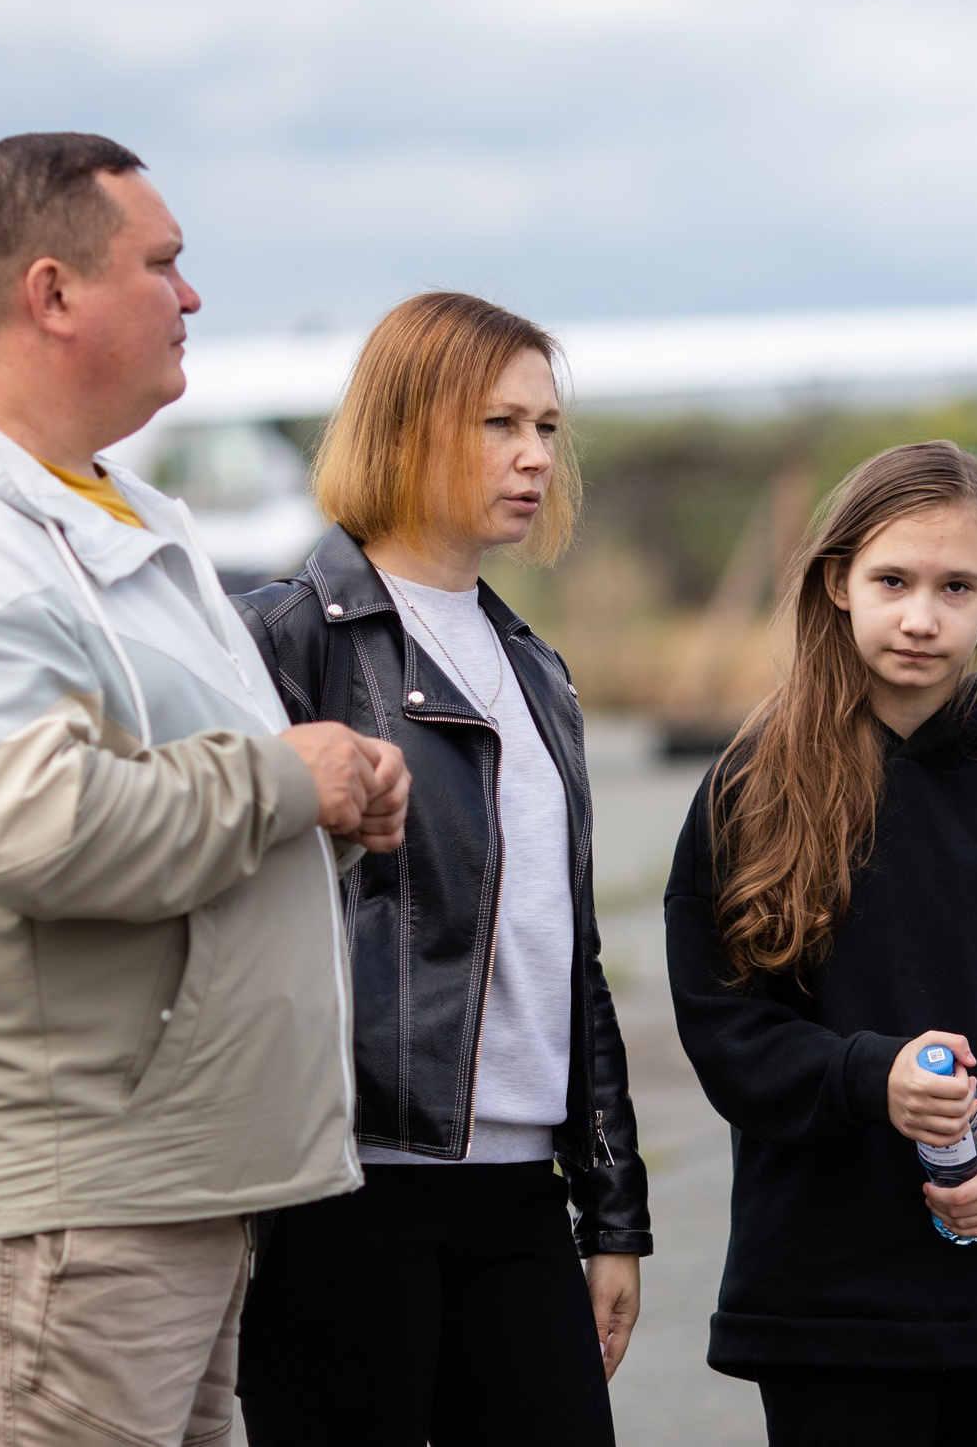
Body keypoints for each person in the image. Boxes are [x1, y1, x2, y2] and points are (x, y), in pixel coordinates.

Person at [0, 132, 411, 1447]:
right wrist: (284, 778)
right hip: (73, 1195)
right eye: (164, 262)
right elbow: (33, 827)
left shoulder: (108, 513)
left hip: (169, 1176)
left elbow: (187, 799)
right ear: (53, 294)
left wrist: (331, 807)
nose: (192, 296)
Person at [664, 441, 977, 1447]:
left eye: (955, 587)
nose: (919, 615)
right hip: (826, 1302)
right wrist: (870, 1079)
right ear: (836, 583)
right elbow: (727, 1033)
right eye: (892, 580)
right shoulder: (751, 786)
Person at [231, 292, 651, 1446]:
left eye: (548, 428)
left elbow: (567, 955)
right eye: (498, 424)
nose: (533, 456)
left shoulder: (535, 670)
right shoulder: (282, 639)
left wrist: (612, 1213)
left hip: (520, 1193)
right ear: (408, 423)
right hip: (343, 1187)